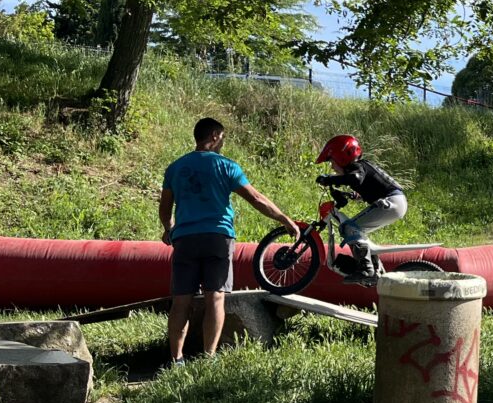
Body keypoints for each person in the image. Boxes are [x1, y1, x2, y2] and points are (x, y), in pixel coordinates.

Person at [160, 117, 296, 365]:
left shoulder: (175, 168)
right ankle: (208, 357)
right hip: (217, 238)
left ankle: (176, 358)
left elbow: (164, 209)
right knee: (216, 297)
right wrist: (284, 219)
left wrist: (168, 229)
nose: (223, 141)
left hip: (185, 240)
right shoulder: (227, 166)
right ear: (213, 136)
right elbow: (256, 199)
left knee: (181, 301)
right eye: (222, 136)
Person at [314, 134, 407, 283]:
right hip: (394, 202)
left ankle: (366, 269)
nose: (332, 167)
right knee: (358, 232)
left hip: (391, 201)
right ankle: (376, 269)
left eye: (332, 161)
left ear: (341, 157)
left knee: (349, 227)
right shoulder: (361, 168)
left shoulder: (358, 167)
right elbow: (369, 189)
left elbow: (356, 178)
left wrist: (329, 179)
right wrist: (350, 195)